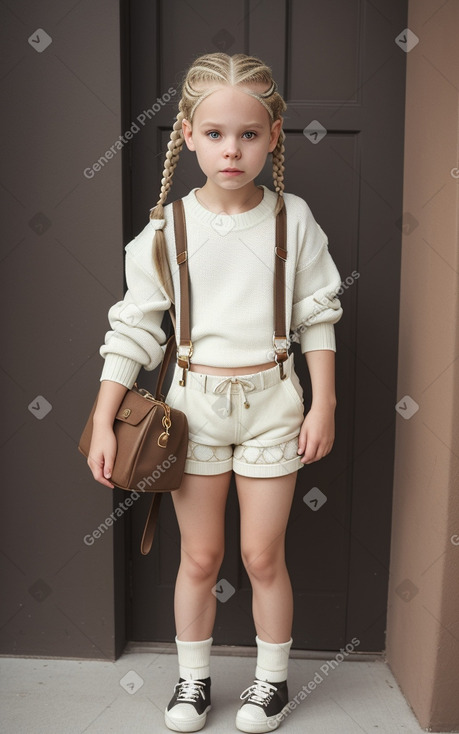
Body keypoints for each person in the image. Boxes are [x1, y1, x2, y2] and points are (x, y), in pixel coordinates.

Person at [87, 52, 343, 733]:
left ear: (273, 135)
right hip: (192, 410)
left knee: (262, 555)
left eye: (249, 134)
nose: (232, 149)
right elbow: (133, 331)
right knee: (199, 556)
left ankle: (270, 683)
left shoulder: (293, 220)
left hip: (273, 406)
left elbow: (317, 312)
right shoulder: (166, 230)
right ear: (189, 136)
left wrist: (324, 402)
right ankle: (194, 683)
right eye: (216, 134)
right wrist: (104, 418)